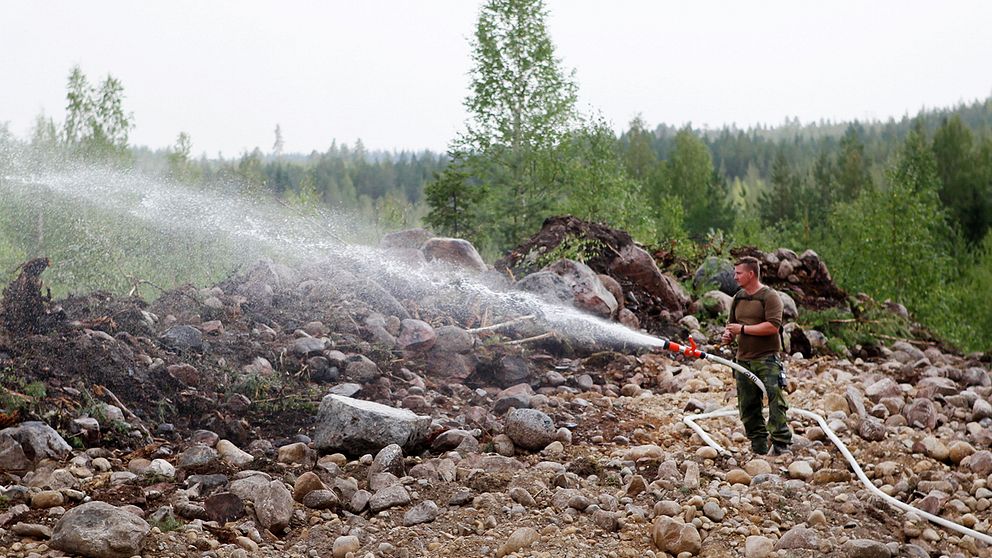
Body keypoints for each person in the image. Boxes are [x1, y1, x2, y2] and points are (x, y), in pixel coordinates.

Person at [720, 256, 793, 456]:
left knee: (775, 400)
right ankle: (758, 446)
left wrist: (742, 329)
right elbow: (731, 326)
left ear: (751, 274)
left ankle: (780, 444)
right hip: (743, 360)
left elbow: (772, 326)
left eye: (738, 273)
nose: (734, 277)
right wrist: (728, 335)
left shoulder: (770, 297)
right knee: (748, 406)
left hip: (766, 359)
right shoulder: (739, 298)